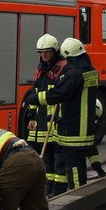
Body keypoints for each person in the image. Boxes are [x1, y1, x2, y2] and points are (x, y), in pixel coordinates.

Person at [37, 38, 99, 191]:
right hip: (85, 128)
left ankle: (78, 199)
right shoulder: (91, 71)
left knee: (74, 169)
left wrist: (35, 98)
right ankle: (73, 193)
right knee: (74, 166)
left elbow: (59, 94)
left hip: (73, 129)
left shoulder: (75, 74)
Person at [23, 34, 67, 196]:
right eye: (41, 52)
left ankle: (59, 190)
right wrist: (31, 116)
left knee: (58, 158)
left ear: (54, 51)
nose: (44, 55)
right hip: (42, 120)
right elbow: (35, 93)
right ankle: (49, 189)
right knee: (46, 158)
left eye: (47, 52)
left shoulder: (62, 67)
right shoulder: (41, 69)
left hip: (56, 120)